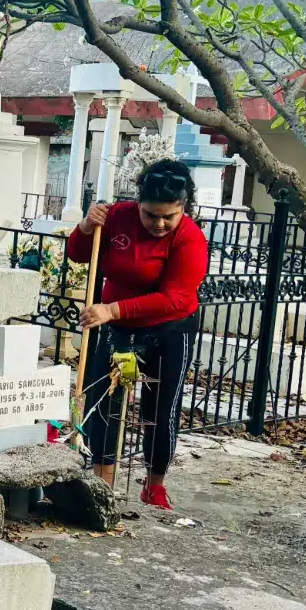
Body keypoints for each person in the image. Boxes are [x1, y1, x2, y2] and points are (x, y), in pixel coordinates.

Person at [67, 158, 210, 510]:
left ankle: (155, 484)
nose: (158, 224)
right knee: (105, 402)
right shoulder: (116, 217)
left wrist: (112, 309)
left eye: (168, 217)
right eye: (150, 215)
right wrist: (86, 227)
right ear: (138, 204)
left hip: (170, 328)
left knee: (161, 411)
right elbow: (79, 254)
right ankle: (103, 481)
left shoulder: (189, 237)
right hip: (118, 328)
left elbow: (175, 297)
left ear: (183, 209)